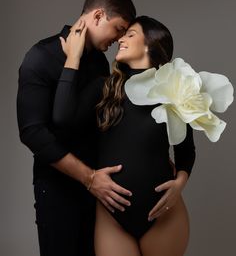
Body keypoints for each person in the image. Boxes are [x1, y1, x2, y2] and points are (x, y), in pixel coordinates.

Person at [53, 15, 196, 256]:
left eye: (130, 34)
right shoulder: (104, 88)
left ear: (150, 44)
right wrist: (72, 58)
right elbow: (62, 120)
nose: (121, 39)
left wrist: (179, 185)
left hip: (164, 215)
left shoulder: (173, 92)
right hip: (112, 219)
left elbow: (186, 151)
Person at [16, 0, 136, 256]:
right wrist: (89, 178)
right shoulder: (40, 57)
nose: (119, 39)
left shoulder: (100, 63)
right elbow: (33, 134)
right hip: (58, 189)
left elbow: (103, 124)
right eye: (119, 28)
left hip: (99, 190)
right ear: (97, 16)